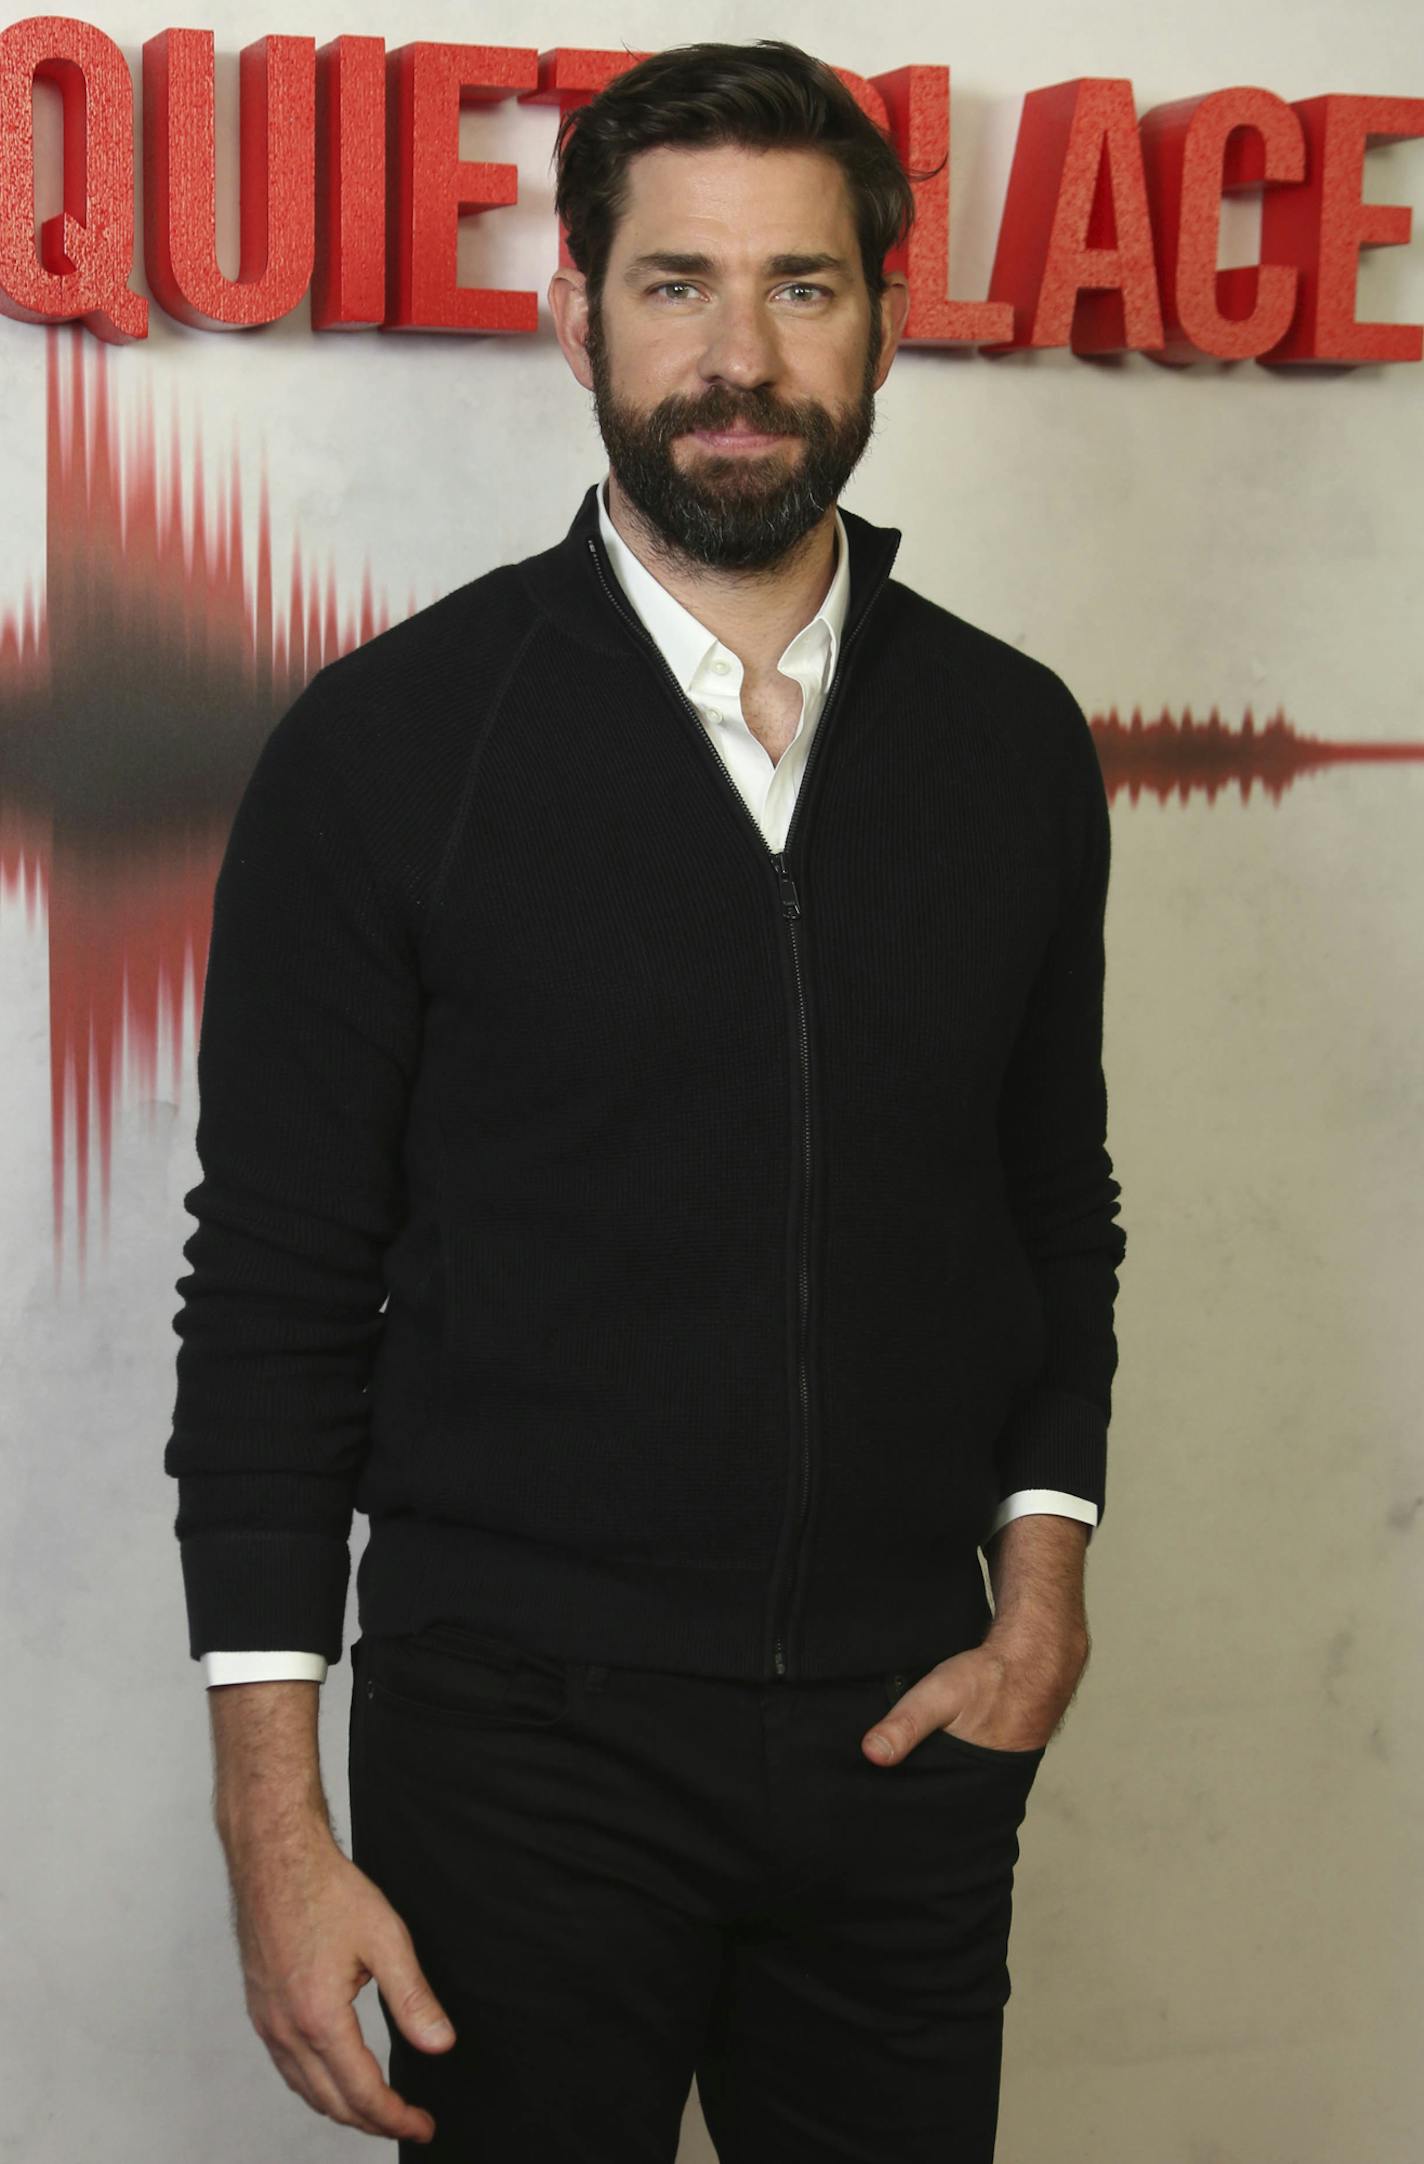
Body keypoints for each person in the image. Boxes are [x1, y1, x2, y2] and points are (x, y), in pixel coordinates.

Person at [166, 37, 1127, 2163]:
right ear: (572, 316)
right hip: (517, 1753)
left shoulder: (1009, 744)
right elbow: (271, 1297)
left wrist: (1038, 1584)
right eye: (675, 283)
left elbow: (1050, 1196)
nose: (738, 356)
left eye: (800, 286)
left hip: (905, 1739)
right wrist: (274, 1823)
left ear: (884, 320)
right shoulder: (392, 744)